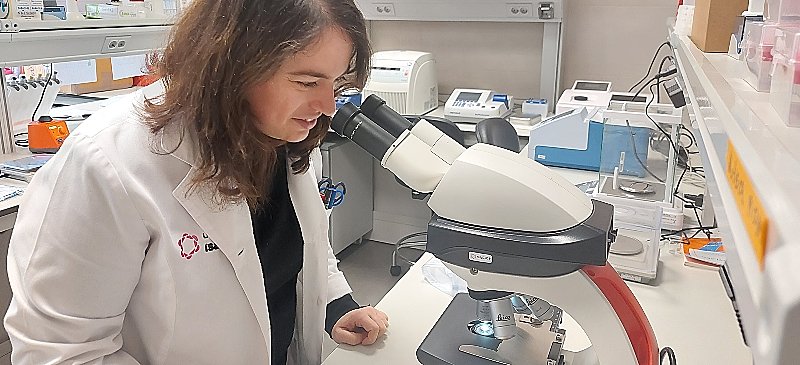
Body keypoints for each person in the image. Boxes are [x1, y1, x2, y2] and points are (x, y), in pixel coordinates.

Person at [4, 0, 389, 364]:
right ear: (235, 66)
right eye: (306, 82)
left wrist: (335, 304)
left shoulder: (284, 134)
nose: (328, 106)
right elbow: (61, 352)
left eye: (336, 82)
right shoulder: (107, 166)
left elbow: (305, 240)